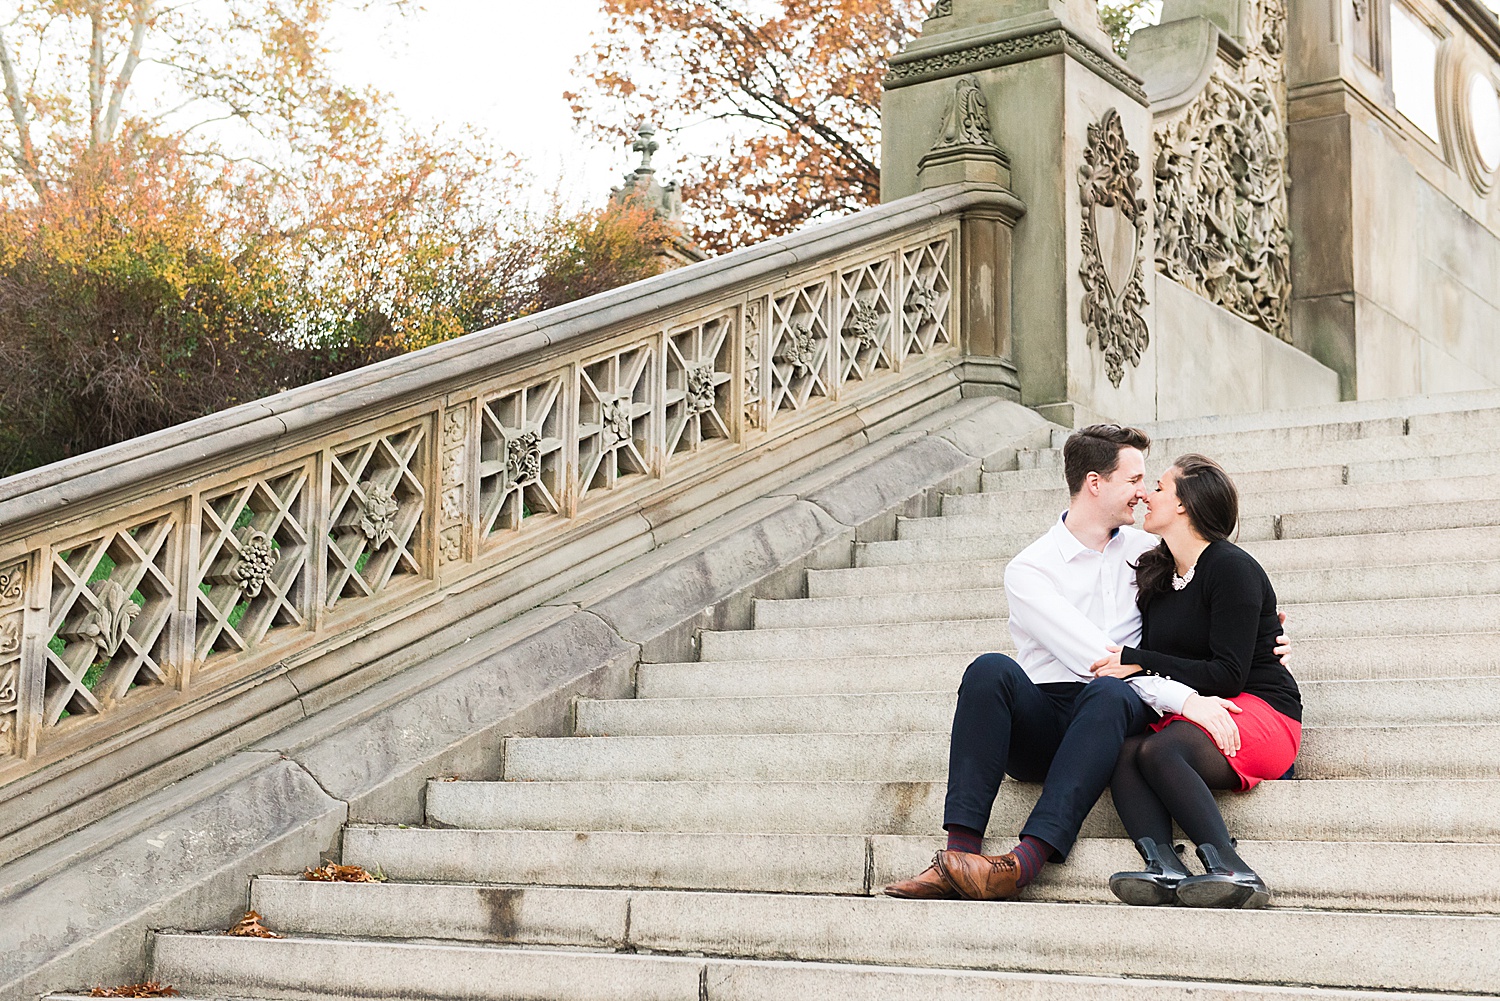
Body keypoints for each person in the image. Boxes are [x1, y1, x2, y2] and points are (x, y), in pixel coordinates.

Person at [883, 425, 1290, 902]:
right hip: (1052, 715)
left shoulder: (1149, 553)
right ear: (1095, 483)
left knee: (1110, 693)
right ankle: (959, 855)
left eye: (1149, 483)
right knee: (989, 669)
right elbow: (1096, 660)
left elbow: (1208, 596)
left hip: (1120, 707)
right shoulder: (1030, 568)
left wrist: (1266, 633)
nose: (1143, 494)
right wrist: (1187, 699)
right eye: (1135, 479)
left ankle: (1025, 860)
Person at [1092, 454, 1301, 909]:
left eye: (1161, 487)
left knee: (1163, 748)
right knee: (1126, 750)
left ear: (1186, 504)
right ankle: (1163, 866)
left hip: (1263, 709)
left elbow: (1228, 674)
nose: (1147, 493)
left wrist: (1137, 660)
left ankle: (1231, 868)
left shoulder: (1232, 568)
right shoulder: (1158, 576)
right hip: (1197, 710)